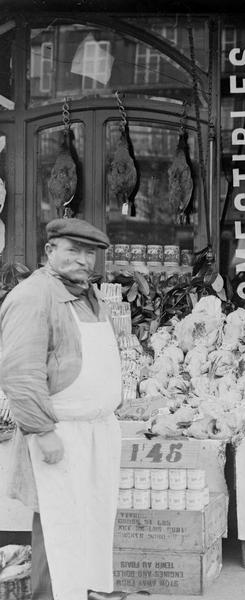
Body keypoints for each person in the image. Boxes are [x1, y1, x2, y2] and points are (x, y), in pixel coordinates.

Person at [0, 218, 122, 600]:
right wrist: (43, 431)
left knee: (92, 515)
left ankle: (88, 589)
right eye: (73, 250)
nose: (83, 260)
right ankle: (52, 596)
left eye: (90, 253)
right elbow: (20, 371)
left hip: (96, 428)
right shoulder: (33, 296)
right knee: (58, 520)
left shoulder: (88, 294)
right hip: (60, 431)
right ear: (50, 251)